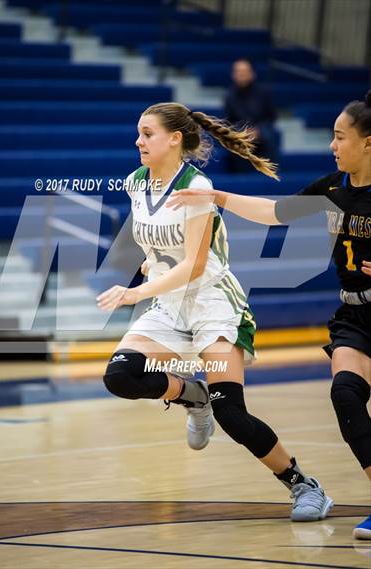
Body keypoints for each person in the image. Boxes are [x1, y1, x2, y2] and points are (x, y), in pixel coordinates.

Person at [97, 102, 333, 522]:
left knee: (232, 413)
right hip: (168, 304)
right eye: (138, 132)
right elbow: (156, 247)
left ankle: (302, 484)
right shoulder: (135, 183)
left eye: (147, 133)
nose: (138, 141)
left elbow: (195, 264)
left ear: (174, 139)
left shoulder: (197, 185)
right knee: (120, 375)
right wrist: (150, 264)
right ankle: (193, 395)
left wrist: (136, 292)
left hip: (213, 303)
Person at [166, 91, 371, 540]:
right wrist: (218, 196)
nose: (333, 146)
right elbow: (277, 214)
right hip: (356, 317)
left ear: (368, 143)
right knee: (346, 396)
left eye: (340, 137)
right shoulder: (333, 188)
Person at [224, 58, 279, 170]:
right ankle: (239, 175)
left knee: (269, 135)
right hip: (241, 132)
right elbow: (229, 120)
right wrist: (244, 131)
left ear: (252, 74)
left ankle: (270, 171)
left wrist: (257, 131)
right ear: (233, 75)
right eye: (238, 72)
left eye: (244, 71)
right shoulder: (229, 96)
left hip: (262, 131)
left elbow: (271, 117)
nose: (241, 75)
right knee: (232, 139)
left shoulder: (263, 93)